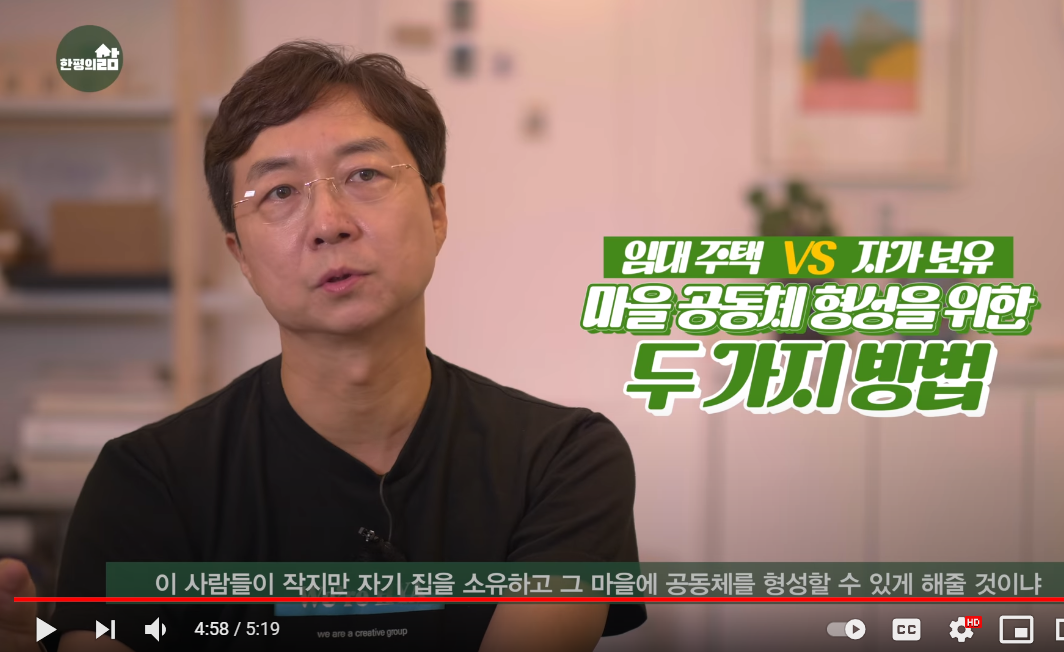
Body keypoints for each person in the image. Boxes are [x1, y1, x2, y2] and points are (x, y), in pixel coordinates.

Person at [0, 40, 643, 652]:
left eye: (364, 174)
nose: (329, 224)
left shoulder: (562, 461)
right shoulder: (147, 481)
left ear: (436, 212)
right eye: (279, 192)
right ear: (241, 257)